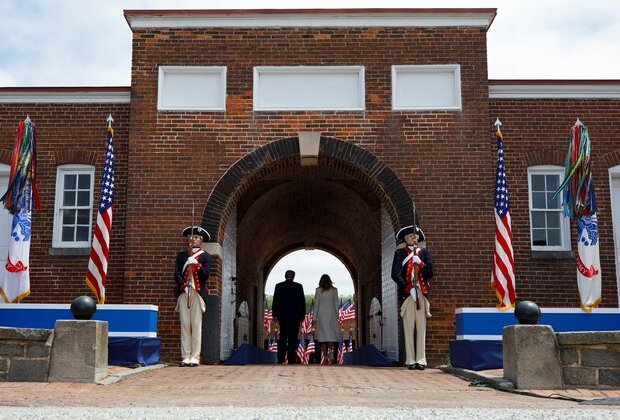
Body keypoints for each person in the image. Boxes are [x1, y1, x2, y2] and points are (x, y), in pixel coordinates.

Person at [391, 224, 433, 370]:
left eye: (414, 236)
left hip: (421, 293)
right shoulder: (400, 254)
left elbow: (430, 273)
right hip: (408, 295)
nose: (412, 238)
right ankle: (410, 360)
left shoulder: (424, 253)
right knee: (408, 328)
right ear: (405, 239)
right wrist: (407, 288)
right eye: (409, 236)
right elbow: (395, 274)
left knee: (421, 328)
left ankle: (421, 360)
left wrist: (420, 263)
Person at [174, 225, 213, 367]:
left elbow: (205, 275)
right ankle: (185, 356)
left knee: (196, 325)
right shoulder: (182, 256)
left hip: (197, 293)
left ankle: (195, 357)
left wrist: (196, 264)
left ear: (201, 240)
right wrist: (183, 286)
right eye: (190, 236)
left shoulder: (205, 257)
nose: (192, 239)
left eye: (196, 237)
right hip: (185, 292)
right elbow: (177, 273)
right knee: (185, 325)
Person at [272, 270, 306, 364]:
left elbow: (275, 301)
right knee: (293, 337)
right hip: (295, 316)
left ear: (285, 276)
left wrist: (274, 314)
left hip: (282, 316)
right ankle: (291, 359)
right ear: (294, 276)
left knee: (282, 337)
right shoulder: (298, 286)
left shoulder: (279, 286)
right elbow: (302, 302)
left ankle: (281, 359)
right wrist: (302, 315)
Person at [312, 274, 340, 364]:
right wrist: (337, 316)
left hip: (321, 315)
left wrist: (314, 318)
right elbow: (336, 304)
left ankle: (324, 356)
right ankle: (330, 352)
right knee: (331, 335)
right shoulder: (334, 290)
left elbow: (316, 305)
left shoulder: (318, 290)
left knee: (323, 337)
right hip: (332, 315)